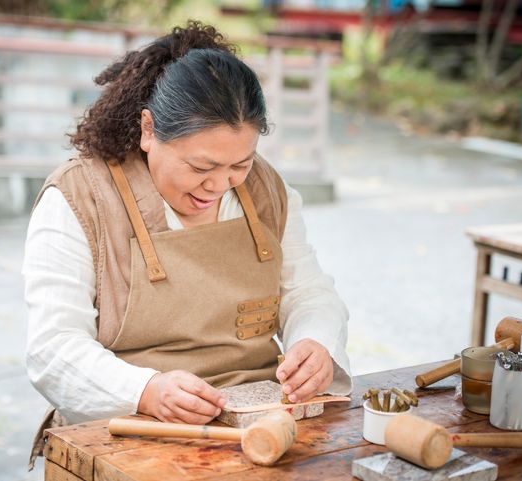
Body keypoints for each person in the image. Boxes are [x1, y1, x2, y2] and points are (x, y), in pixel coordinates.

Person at [23, 21, 351, 468]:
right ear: (148, 130)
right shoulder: (79, 199)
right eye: (201, 166)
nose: (218, 185)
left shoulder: (267, 191)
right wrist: (144, 390)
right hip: (129, 426)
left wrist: (316, 343)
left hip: (260, 420)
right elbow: (53, 346)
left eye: (240, 164)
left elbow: (309, 292)